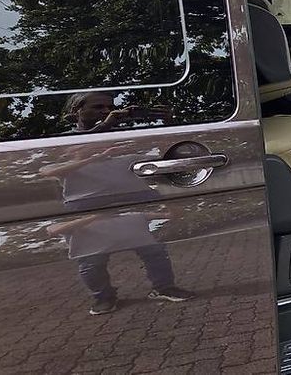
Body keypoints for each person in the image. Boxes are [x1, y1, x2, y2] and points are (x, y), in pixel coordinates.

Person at [42, 92, 193, 315]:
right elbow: (49, 171)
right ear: (76, 111)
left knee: (153, 250)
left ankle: (164, 287)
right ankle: (103, 297)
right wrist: (102, 135)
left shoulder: (124, 135)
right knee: (91, 261)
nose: (106, 111)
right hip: (86, 206)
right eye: (98, 107)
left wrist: (169, 123)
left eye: (109, 107)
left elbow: (163, 157)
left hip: (131, 200)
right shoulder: (63, 140)